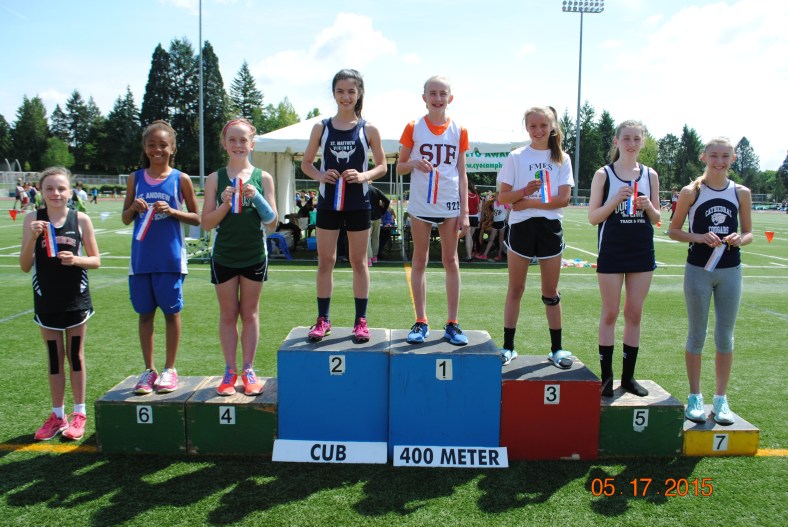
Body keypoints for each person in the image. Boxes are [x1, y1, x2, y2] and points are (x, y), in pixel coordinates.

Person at [668, 137, 752, 425]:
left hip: (730, 270)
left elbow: (749, 233)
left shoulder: (741, 192)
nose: (719, 161)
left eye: (725, 156)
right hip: (698, 271)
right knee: (697, 335)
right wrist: (699, 237)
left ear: (733, 158)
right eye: (714, 155)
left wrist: (740, 238)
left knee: (725, 337)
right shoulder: (691, 192)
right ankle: (695, 396)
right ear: (704, 157)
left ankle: (720, 398)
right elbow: (674, 231)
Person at [301, 69, 387, 343]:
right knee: (325, 261)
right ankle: (323, 319)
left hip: (358, 203)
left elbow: (382, 166)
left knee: (358, 262)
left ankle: (360, 321)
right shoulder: (321, 127)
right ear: (334, 93)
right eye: (340, 91)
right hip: (328, 203)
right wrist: (319, 175)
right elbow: (306, 164)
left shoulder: (369, 129)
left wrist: (363, 176)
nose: (345, 96)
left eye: (351, 91)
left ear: (359, 93)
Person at [19, 166, 100, 440]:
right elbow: (24, 265)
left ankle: (79, 414)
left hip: (76, 300)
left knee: (75, 355)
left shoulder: (81, 219)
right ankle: (57, 416)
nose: (56, 193)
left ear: (70, 191)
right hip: (46, 300)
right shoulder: (32, 219)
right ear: (40, 192)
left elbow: (96, 260)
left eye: (61, 188)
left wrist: (76, 260)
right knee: (55, 358)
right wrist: (32, 237)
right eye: (50, 188)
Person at [121, 120, 200, 395]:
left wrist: (173, 211)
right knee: (145, 315)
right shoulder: (135, 178)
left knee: (171, 313)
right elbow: (125, 218)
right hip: (141, 260)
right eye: (152, 145)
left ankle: (169, 369)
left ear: (173, 148)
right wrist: (134, 207)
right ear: (145, 148)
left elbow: (197, 218)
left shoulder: (181, 179)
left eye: (163, 145)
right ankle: (149, 370)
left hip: (170, 259)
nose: (157, 150)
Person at [202, 118, 278, 396]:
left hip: (254, 254)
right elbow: (207, 223)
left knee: (250, 313)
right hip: (224, 255)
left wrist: (256, 197)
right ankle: (229, 371)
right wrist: (224, 203)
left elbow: (272, 223)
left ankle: (248, 369)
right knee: (228, 314)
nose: (237, 144)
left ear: (252, 144)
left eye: (243, 139)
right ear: (224, 144)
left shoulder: (263, 177)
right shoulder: (214, 178)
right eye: (232, 139)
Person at [588, 120, 661, 397]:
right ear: (616, 142)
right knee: (610, 312)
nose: (632, 143)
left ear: (643, 142)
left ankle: (628, 378)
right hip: (612, 250)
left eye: (636, 139)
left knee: (634, 313)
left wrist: (649, 206)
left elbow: (657, 218)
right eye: (626, 138)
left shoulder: (650, 175)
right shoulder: (603, 174)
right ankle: (607, 378)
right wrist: (614, 201)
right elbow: (593, 217)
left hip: (641, 251)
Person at [496, 106, 574, 367]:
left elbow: (563, 199)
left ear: (552, 127)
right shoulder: (516, 156)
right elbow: (503, 197)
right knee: (515, 288)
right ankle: (508, 347)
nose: (538, 131)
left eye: (543, 125)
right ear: (526, 128)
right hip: (521, 228)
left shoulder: (562, 158)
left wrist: (527, 202)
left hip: (550, 229)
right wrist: (523, 191)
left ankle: (557, 349)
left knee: (550, 292)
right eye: (532, 126)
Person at [397, 75, 470, 346]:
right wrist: (414, 163)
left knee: (451, 261)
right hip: (421, 204)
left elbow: (462, 173)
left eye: (442, 93)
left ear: (450, 98)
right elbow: (400, 166)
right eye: (433, 93)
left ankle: (452, 322)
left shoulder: (459, 129)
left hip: (449, 204)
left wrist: (465, 212)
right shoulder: (413, 127)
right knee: (420, 260)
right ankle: (421, 320)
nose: (438, 98)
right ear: (424, 98)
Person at [476, 192, 508, 261]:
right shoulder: (494, 204)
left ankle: (499, 255)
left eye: (496, 196)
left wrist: (506, 219)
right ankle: (485, 254)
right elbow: (494, 213)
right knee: (491, 239)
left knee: (501, 239)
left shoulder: (504, 203)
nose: (495, 197)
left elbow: (508, 211)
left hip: (501, 222)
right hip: (495, 222)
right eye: (495, 196)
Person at [367, 184, 390, 265]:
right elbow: (387, 200)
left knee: (367, 239)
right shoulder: (376, 190)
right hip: (377, 217)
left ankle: (368, 258)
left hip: (367, 216)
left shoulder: (363, 190)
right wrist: (382, 211)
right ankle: (374, 257)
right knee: (376, 237)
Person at [463, 180, 481, 261]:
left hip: (467, 217)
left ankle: (469, 256)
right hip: (475, 217)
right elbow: (479, 208)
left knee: (468, 237)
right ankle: (469, 255)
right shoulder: (476, 195)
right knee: (470, 237)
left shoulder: (464, 195)